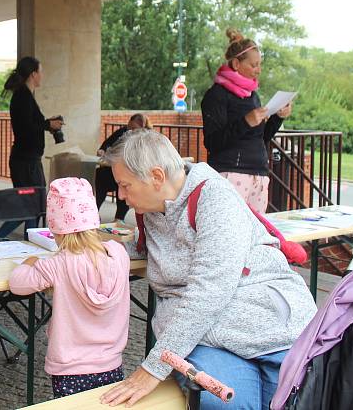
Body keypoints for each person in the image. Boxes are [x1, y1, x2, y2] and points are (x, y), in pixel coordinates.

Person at [100, 130, 317, 410]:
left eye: (125, 185)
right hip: (209, 337)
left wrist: (152, 368)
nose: (121, 195)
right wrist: (97, 249)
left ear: (156, 177)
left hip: (265, 328)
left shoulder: (215, 198)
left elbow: (209, 291)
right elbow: (151, 250)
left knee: (287, 400)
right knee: (227, 404)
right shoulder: (151, 208)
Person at [9, 177, 130, 398]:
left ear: (56, 230)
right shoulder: (118, 253)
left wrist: (30, 261)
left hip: (70, 369)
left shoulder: (59, 264)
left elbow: (18, 284)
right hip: (111, 362)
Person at [201, 28, 292, 213]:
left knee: (255, 232)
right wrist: (245, 122)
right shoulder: (216, 95)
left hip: (258, 172)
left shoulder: (253, 96)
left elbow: (261, 137)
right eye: (253, 65)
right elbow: (212, 142)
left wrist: (277, 118)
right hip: (230, 172)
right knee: (228, 231)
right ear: (236, 64)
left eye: (260, 64)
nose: (258, 70)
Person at [0, 56, 63, 237]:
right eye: (41, 72)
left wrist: (48, 123)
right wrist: (48, 125)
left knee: (32, 205)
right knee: (30, 205)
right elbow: (26, 127)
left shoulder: (25, 95)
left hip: (28, 160)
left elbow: (32, 124)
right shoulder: (22, 96)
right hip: (25, 162)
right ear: (33, 74)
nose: (42, 76)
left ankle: (27, 241)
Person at [95, 113, 150, 220]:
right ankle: (93, 212)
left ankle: (119, 218)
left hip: (133, 174)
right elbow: (106, 144)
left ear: (142, 127)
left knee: (124, 184)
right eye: (129, 127)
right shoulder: (123, 132)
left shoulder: (146, 138)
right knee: (100, 176)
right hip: (115, 170)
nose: (130, 130)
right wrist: (102, 150)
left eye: (134, 128)